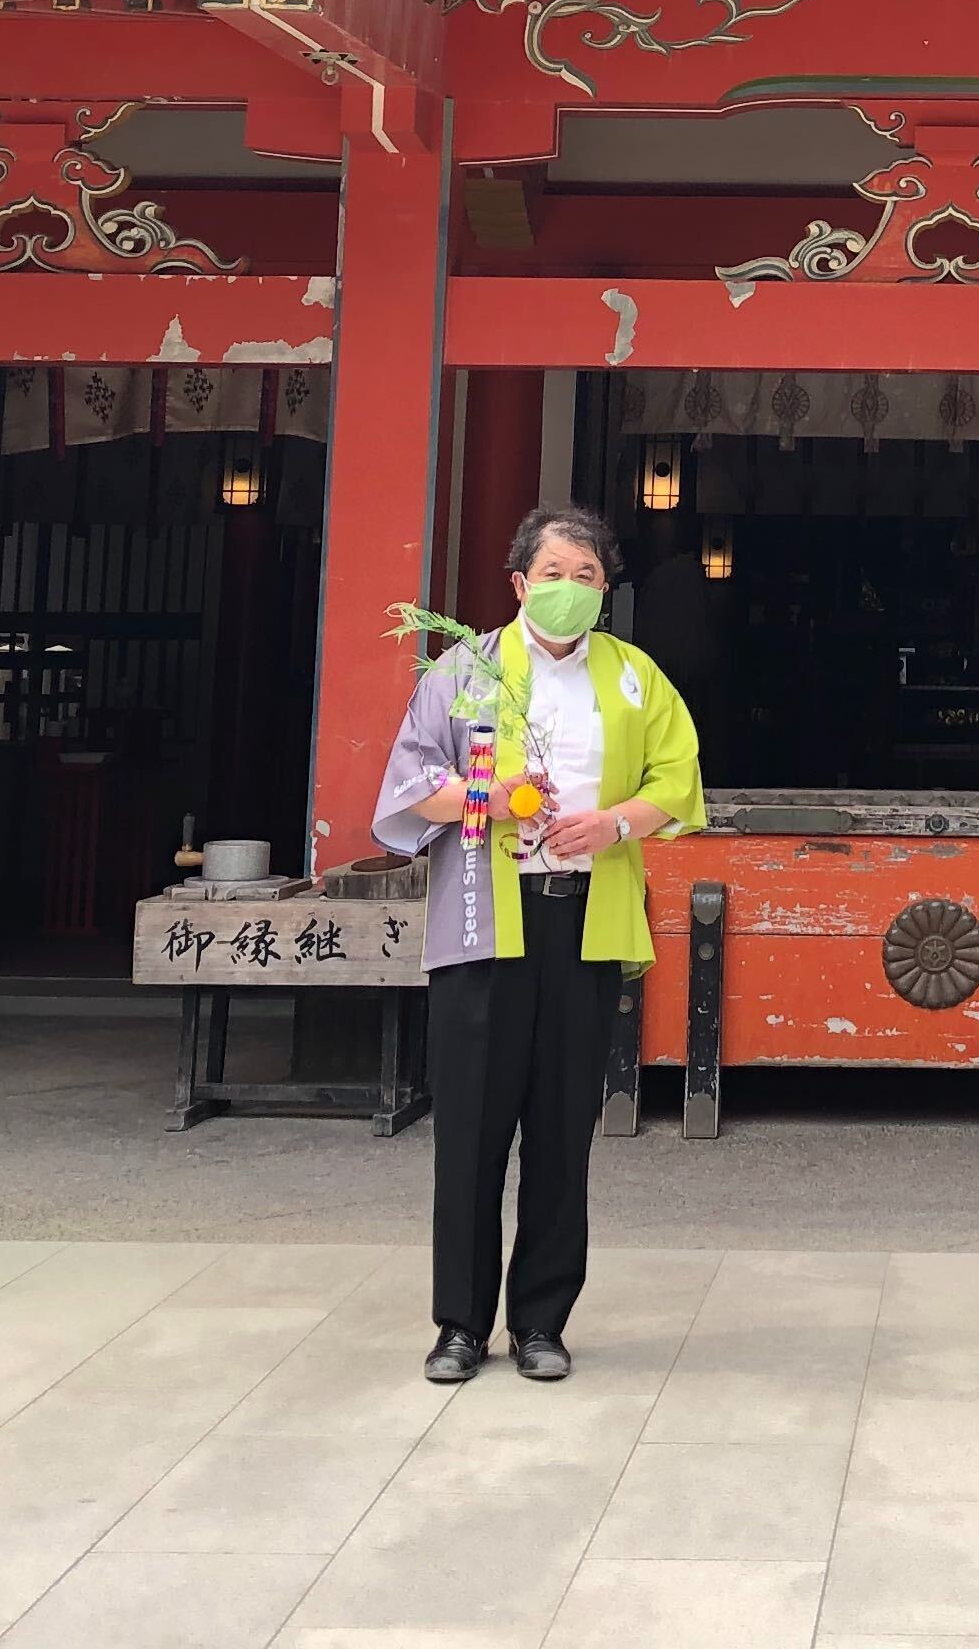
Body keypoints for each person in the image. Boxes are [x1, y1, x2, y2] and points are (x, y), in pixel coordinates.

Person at [374, 502, 704, 1385]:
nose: (568, 590)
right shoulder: (466, 669)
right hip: (485, 921)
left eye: (587, 576)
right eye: (552, 574)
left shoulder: (636, 678)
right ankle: (458, 1323)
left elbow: (678, 783)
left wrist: (614, 826)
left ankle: (542, 1320)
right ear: (520, 584)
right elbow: (410, 786)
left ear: (606, 590)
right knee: (472, 1128)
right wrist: (495, 796)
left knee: (563, 1129)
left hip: (584, 921)